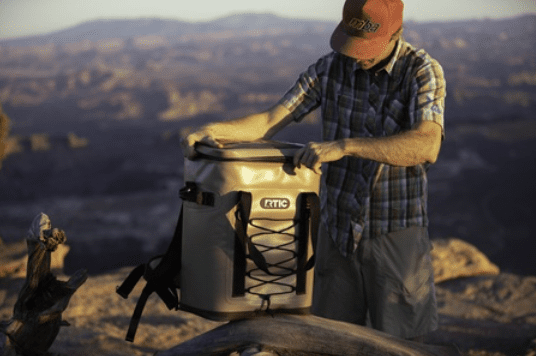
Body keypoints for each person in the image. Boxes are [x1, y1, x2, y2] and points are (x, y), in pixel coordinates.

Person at [182, 0, 445, 341]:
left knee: (400, 346)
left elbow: (427, 145)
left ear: (398, 33)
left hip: (395, 233)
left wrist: (347, 146)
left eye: (368, 46)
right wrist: (214, 131)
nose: (357, 55)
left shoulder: (422, 70)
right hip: (336, 234)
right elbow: (269, 120)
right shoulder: (328, 69)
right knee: (328, 342)